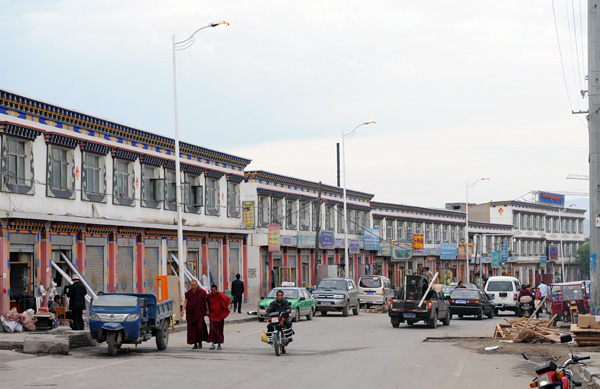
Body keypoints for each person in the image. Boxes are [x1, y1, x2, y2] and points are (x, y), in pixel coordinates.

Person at [182, 280, 209, 349]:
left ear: (197, 285)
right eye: (192, 285)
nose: (193, 287)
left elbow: (206, 302)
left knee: (200, 328)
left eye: (194, 285)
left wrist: (208, 310)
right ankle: (195, 344)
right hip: (191, 314)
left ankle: (200, 342)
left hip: (199, 314)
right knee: (192, 330)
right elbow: (185, 301)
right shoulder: (188, 293)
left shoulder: (202, 292)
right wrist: (182, 310)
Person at [207, 284, 231, 350]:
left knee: (219, 330)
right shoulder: (209, 296)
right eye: (212, 291)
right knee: (212, 330)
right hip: (212, 315)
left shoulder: (220, 295)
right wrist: (208, 311)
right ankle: (212, 344)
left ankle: (219, 344)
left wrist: (224, 306)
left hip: (220, 315)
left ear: (217, 290)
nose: (213, 292)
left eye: (214, 290)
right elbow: (206, 302)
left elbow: (229, 300)